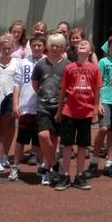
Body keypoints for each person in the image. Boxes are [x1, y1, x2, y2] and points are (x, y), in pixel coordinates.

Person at [55, 39, 102, 190]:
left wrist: (95, 109)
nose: (82, 44)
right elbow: (62, 90)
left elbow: (97, 91)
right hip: (69, 111)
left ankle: (80, 176)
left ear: (90, 51)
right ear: (75, 49)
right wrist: (59, 111)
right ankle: (65, 175)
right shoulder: (69, 67)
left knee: (82, 146)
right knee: (67, 145)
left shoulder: (94, 69)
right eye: (79, 44)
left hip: (86, 112)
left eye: (85, 44)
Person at [85, 35, 112, 178]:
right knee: (103, 128)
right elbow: (97, 83)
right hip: (106, 100)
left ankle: (109, 163)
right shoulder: (103, 61)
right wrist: (99, 101)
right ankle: (94, 162)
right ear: (109, 47)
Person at [32, 32, 68, 186]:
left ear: (63, 48)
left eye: (58, 46)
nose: (55, 48)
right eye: (52, 45)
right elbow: (35, 84)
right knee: (43, 136)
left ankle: (47, 169)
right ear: (48, 46)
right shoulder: (40, 64)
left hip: (61, 107)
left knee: (54, 138)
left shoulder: (67, 64)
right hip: (43, 105)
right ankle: (55, 165)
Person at [9, 33, 46, 181]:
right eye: (34, 45)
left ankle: (42, 167)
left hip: (42, 107)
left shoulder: (47, 62)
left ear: (44, 47)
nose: (37, 48)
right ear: (30, 46)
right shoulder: (22, 62)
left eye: (40, 45)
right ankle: (15, 166)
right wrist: (15, 104)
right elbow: (17, 85)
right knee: (21, 139)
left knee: (42, 139)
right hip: (25, 107)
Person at [0, 33, 18, 172]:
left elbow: (18, 83)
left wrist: (16, 102)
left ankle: (3, 156)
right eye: (4, 47)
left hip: (9, 97)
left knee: (7, 127)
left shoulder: (16, 63)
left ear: (13, 48)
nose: (6, 50)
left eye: (9, 48)